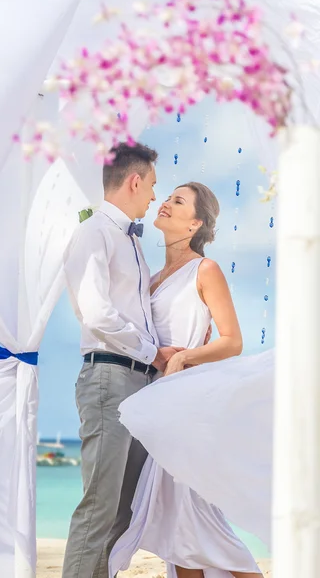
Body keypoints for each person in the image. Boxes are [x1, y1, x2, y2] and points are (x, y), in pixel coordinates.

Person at [109, 182, 272, 578]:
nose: (164, 202)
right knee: (176, 529)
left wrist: (185, 355)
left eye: (177, 201)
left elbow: (232, 341)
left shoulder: (205, 269)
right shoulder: (149, 277)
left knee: (198, 522)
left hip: (187, 409)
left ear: (195, 223)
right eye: (166, 197)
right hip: (160, 408)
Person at [62, 142, 183, 578]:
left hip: (137, 383)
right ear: (134, 181)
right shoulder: (93, 232)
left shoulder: (130, 241)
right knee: (99, 509)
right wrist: (155, 352)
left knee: (123, 512)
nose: (154, 196)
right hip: (108, 379)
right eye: (152, 185)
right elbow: (96, 314)